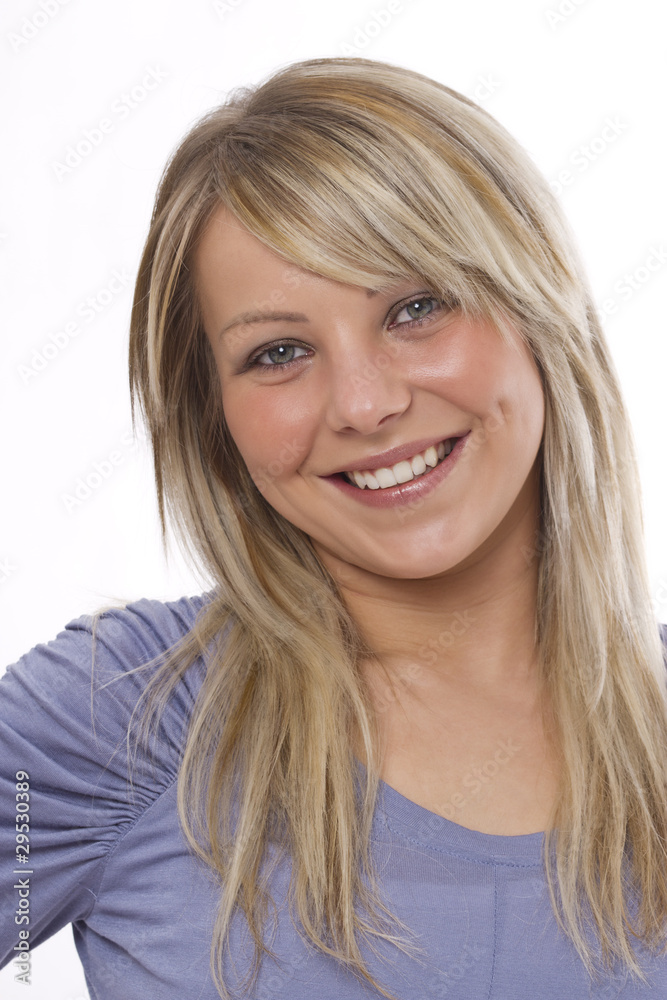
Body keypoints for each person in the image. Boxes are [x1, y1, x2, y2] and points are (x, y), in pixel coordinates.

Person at [2, 55, 667, 1000]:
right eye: (278, 352)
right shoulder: (115, 722)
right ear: (215, 416)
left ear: (538, 307)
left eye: (416, 307)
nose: (363, 403)